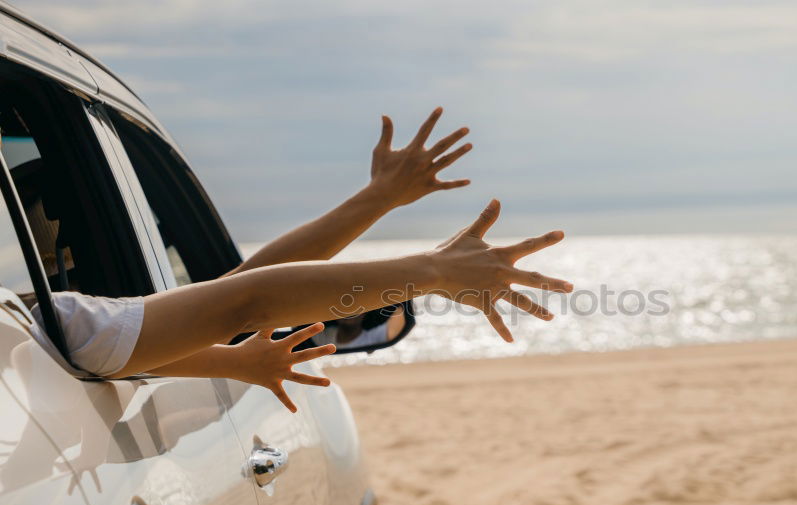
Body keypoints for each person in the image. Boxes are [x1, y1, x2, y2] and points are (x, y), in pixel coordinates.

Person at [29, 109, 571, 412]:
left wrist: (231, 359)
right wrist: (434, 271)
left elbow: (229, 299)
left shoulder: (42, 328)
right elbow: (245, 300)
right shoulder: (48, 323)